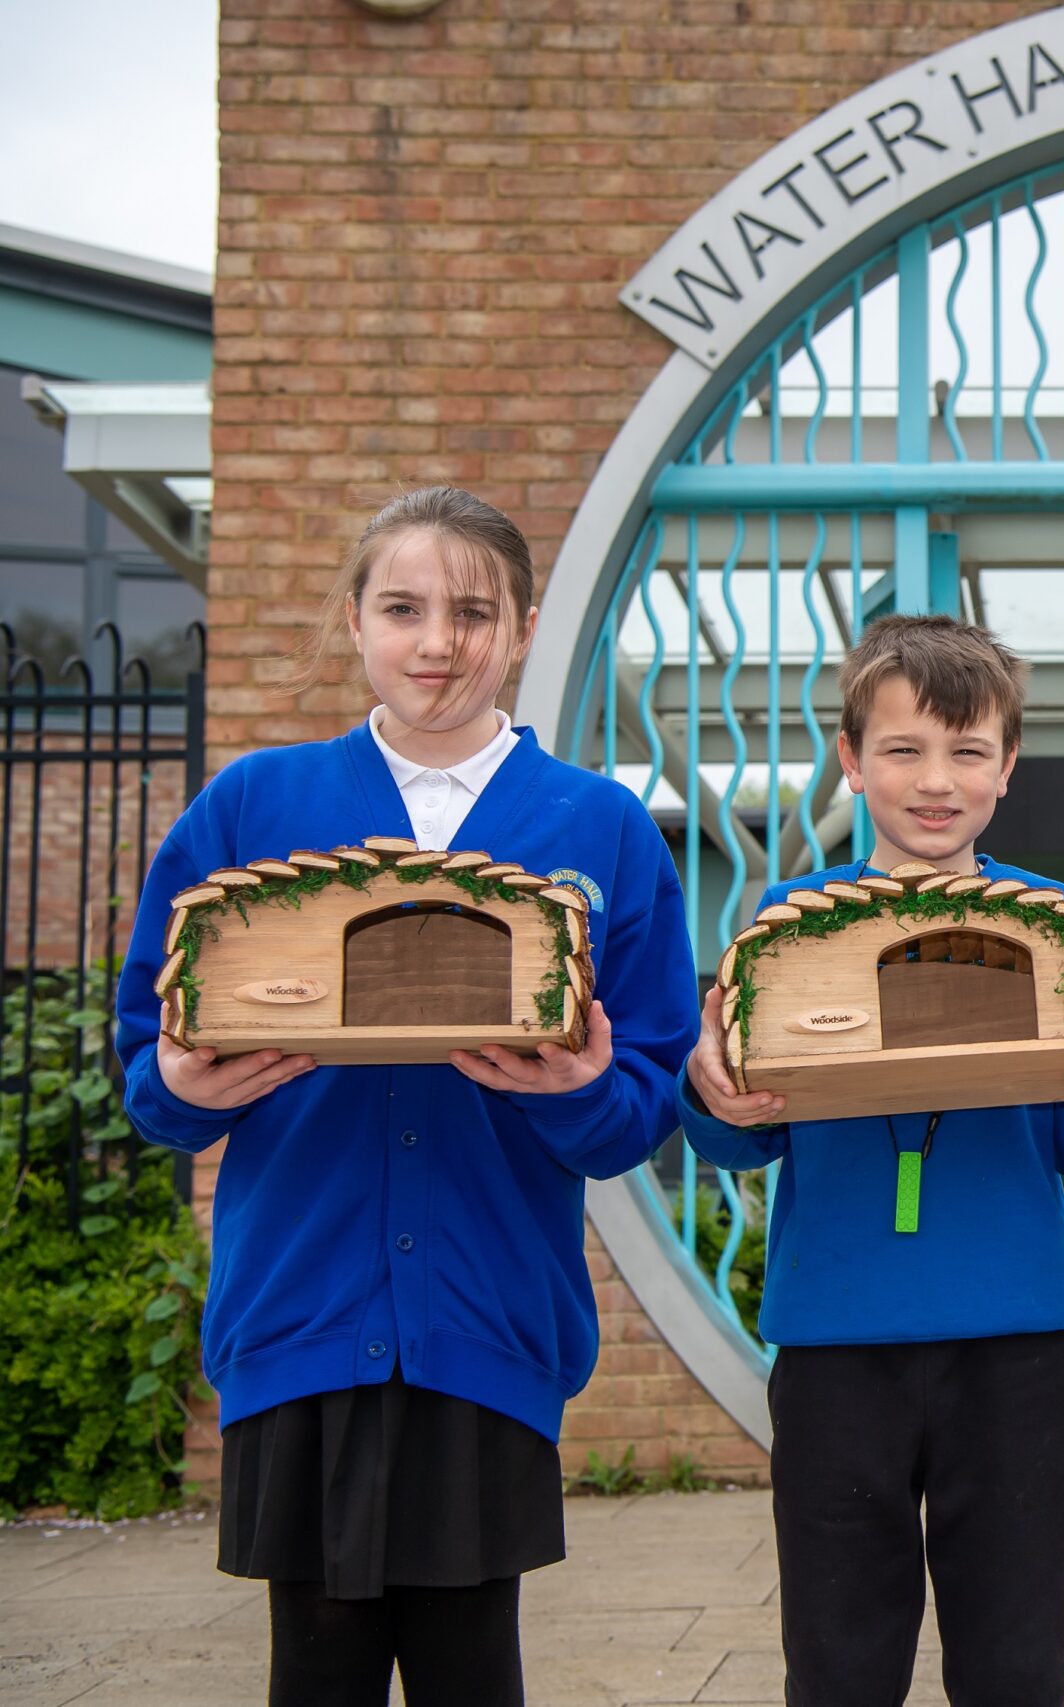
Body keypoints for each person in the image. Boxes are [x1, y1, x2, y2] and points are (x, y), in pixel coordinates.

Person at [112, 486, 696, 1707]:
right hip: (299, 1314)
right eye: (403, 608)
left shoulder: (601, 829)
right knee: (313, 1666)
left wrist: (584, 1087)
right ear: (355, 620)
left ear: (527, 626)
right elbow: (150, 1068)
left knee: (472, 1668)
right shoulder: (253, 810)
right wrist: (178, 1084)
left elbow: (641, 1106)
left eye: (473, 611)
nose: (438, 642)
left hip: (487, 1321)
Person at [679, 614, 1064, 1707]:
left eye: (968, 751)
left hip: (1015, 1344)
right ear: (850, 758)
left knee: (1017, 1661)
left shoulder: (1054, 923)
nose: (937, 782)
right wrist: (711, 1091)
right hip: (837, 1344)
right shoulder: (786, 923)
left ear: (1007, 766)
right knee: (839, 1661)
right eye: (903, 750)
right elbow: (730, 1135)